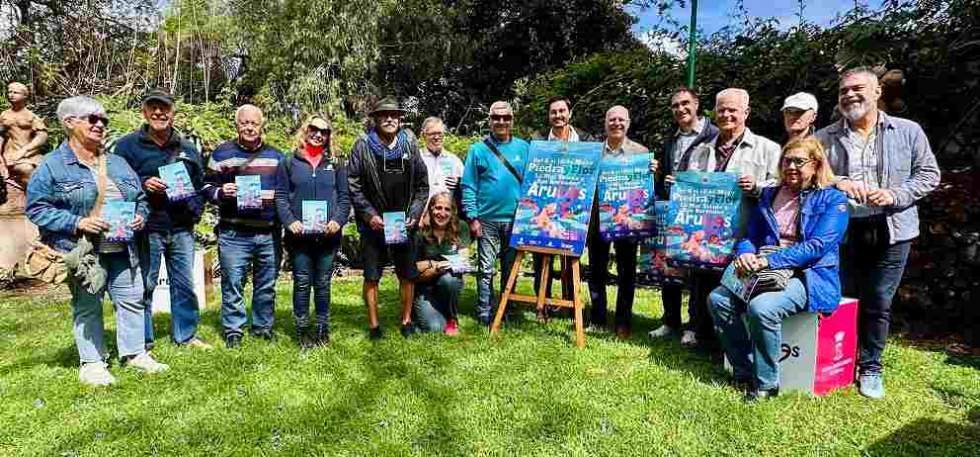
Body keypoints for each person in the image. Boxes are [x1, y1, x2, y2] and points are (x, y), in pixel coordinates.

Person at [814, 67, 940, 399]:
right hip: (843, 229)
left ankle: (871, 366)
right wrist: (840, 183)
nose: (849, 96)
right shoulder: (825, 137)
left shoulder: (908, 131)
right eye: (843, 91)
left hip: (893, 228)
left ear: (877, 92)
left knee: (879, 301)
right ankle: (840, 360)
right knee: (843, 298)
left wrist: (895, 194)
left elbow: (929, 174)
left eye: (857, 89)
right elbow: (813, 177)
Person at [26, 96, 167, 386]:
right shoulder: (52, 166)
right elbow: (37, 209)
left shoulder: (116, 162)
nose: (100, 124)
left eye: (104, 120)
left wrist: (140, 216)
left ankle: (135, 354)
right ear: (69, 123)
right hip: (85, 250)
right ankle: (92, 362)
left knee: (131, 299)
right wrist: (78, 222)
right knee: (88, 304)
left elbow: (139, 198)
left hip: (123, 245)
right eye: (93, 118)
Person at [709, 137, 849, 401]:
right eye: (787, 160)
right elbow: (751, 234)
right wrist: (747, 253)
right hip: (764, 268)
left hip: (808, 274)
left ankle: (766, 384)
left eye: (799, 161)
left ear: (816, 165)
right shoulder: (770, 195)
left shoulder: (833, 199)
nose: (791, 166)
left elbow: (818, 246)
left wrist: (769, 260)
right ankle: (743, 371)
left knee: (763, 308)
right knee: (718, 300)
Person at [679, 88, 782, 349]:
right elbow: (691, 187)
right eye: (721, 109)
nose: (726, 115)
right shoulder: (701, 150)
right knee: (702, 286)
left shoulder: (768, 148)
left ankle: (733, 345)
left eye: (732, 110)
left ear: (746, 113)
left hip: (745, 234)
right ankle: (703, 337)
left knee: (736, 287)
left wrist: (758, 186)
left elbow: (783, 188)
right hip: (706, 236)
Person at [112, 89, 210, 350]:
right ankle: (142, 340)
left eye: (164, 108)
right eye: (153, 107)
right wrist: (143, 185)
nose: (159, 113)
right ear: (144, 112)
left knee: (185, 285)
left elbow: (201, 185)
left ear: (172, 112)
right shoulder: (126, 146)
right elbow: (114, 185)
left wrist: (196, 212)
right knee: (144, 284)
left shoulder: (188, 148)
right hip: (147, 227)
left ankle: (186, 335)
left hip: (181, 227)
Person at [203, 104, 285, 348]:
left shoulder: (277, 157)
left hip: (268, 232)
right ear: (237, 125)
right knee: (233, 283)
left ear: (262, 126)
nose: (249, 127)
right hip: (234, 233)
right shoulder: (221, 154)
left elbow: (286, 192)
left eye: (254, 123)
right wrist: (220, 192)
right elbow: (205, 187)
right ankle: (234, 330)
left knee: (266, 285)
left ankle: (262, 327)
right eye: (244, 123)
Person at [347, 96, 429, 339]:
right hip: (374, 226)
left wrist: (414, 214)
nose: (390, 118)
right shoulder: (362, 145)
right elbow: (353, 184)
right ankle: (374, 326)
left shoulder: (409, 142)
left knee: (407, 274)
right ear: (375, 119)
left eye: (394, 115)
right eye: (384, 115)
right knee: (372, 276)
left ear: (400, 118)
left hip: (404, 224)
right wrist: (369, 215)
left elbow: (423, 185)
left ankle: (406, 321)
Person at [649, 87, 719, 342]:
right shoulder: (672, 138)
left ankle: (693, 326)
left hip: (702, 213)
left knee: (698, 269)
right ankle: (670, 321)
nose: (680, 109)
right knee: (669, 266)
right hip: (673, 211)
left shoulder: (714, 135)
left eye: (685, 103)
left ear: (697, 104)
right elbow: (667, 174)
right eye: (675, 105)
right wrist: (662, 177)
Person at [275, 114, 351, 348]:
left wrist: (338, 220)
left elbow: (344, 197)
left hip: (328, 237)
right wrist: (290, 222)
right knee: (301, 282)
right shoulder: (289, 161)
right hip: (299, 237)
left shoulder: (336, 163)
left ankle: (322, 329)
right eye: (314, 129)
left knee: (322, 283)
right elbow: (280, 196)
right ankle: (302, 330)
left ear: (329, 136)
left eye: (324, 131)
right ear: (305, 130)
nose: (319, 134)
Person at [461, 101, 530, 326]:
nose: (501, 122)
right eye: (496, 117)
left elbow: (533, 181)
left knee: (510, 269)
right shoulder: (477, 150)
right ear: (489, 120)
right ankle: (484, 310)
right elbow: (469, 185)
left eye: (506, 118)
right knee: (486, 268)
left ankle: (507, 308)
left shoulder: (524, 148)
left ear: (512, 120)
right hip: (486, 219)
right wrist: (472, 217)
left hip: (515, 220)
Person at [588, 106, 650, 339]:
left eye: (621, 120)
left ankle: (623, 321)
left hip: (627, 223)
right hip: (597, 221)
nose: (616, 123)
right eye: (611, 119)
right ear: (605, 124)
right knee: (596, 271)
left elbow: (645, 191)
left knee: (626, 273)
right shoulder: (593, 152)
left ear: (628, 123)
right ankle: (597, 317)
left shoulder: (641, 152)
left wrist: (652, 172)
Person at [530, 97, 591, 308]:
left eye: (562, 111)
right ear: (549, 116)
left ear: (570, 113)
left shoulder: (585, 140)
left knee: (571, 256)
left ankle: (570, 302)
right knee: (541, 256)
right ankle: (542, 302)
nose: (558, 115)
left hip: (574, 206)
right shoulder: (537, 140)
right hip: (545, 203)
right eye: (554, 112)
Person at [412, 192, 468, 335]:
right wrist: (434, 265)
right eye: (438, 208)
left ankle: (451, 317)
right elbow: (412, 268)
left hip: (447, 284)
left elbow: (464, 260)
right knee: (435, 328)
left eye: (447, 209)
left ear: (453, 212)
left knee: (450, 280)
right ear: (431, 209)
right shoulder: (420, 231)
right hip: (424, 288)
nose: (442, 213)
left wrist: (455, 264)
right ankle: (421, 314)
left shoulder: (461, 227)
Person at [1, 82, 48, 190]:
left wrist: (25, 150)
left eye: (15, 92)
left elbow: (42, 136)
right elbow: (1, 135)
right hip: (11, 154)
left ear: (25, 96)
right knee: (26, 169)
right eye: (9, 92)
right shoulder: (4, 115)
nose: (11, 95)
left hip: (30, 154)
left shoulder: (31, 116)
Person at [418, 116, 464, 201]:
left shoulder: (454, 161)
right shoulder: (417, 159)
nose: (436, 137)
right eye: (432, 134)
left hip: (446, 212)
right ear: (423, 135)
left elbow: (466, 188)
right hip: (421, 212)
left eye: (440, 133)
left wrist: (459, 183)